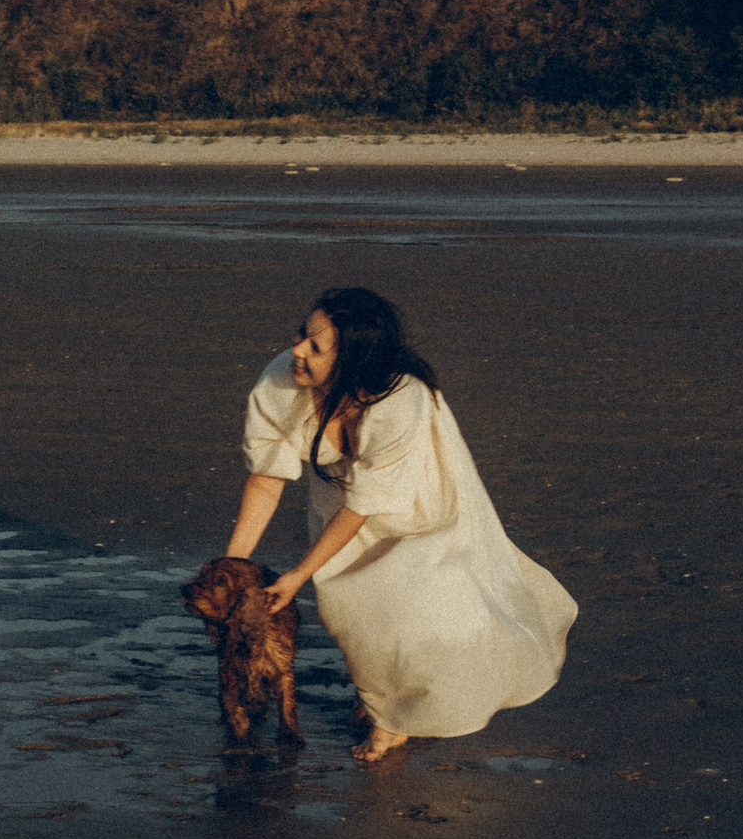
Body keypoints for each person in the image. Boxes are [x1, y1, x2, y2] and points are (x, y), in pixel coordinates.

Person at [223, 286, 575, 762]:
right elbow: (266, 481)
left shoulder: (401, 400)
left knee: (416, 607)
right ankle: (378, 698)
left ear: (354, 360)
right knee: (352, 610)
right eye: (301, 335)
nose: (296, 351)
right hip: (339, 499)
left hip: (416, 498)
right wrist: (231, 566)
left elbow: (369, 502)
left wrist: (298, 574)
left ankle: (392, 719)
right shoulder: (282, 380)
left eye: (315, 347)